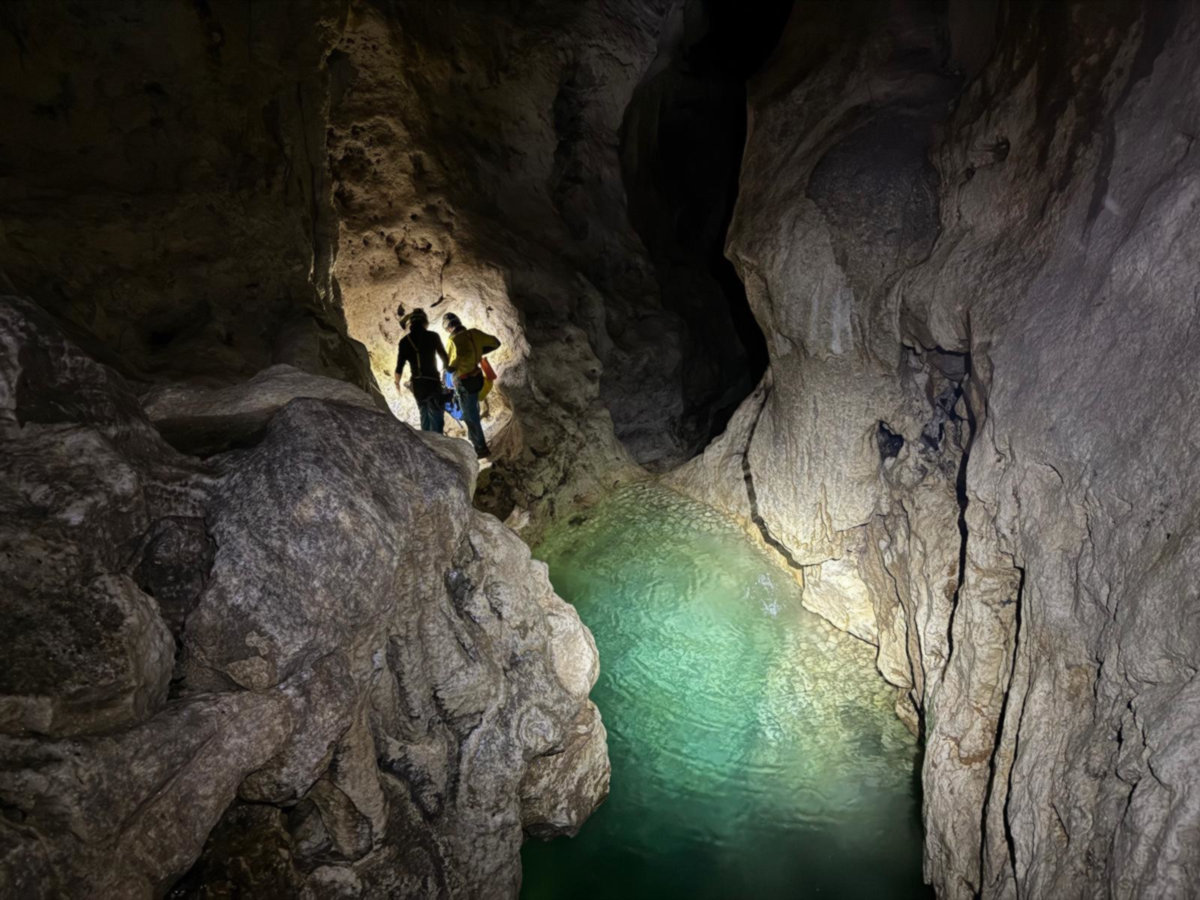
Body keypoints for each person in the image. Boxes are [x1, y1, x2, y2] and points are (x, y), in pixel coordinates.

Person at [442, 312, 500, 458]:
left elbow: (449, 366)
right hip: (477, 377)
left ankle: (481, 448)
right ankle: (474, 439)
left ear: (448, 328)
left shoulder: (453, 341)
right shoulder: (475, 333)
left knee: (470, 417)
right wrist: (478, 352)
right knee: (473, 408)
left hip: (464, 382)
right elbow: (495, 343)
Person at [394, 307, 449, 433]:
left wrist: (397, 383)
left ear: (411, 324)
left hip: (418, 384)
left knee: (424, 416)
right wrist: (447, 371)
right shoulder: (433, 336)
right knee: (436, 416)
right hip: (433, 382)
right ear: (425, 322)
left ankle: (427, 445)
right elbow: (444, 358)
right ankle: (439, 446)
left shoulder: (404, 342)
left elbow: (399, 367)